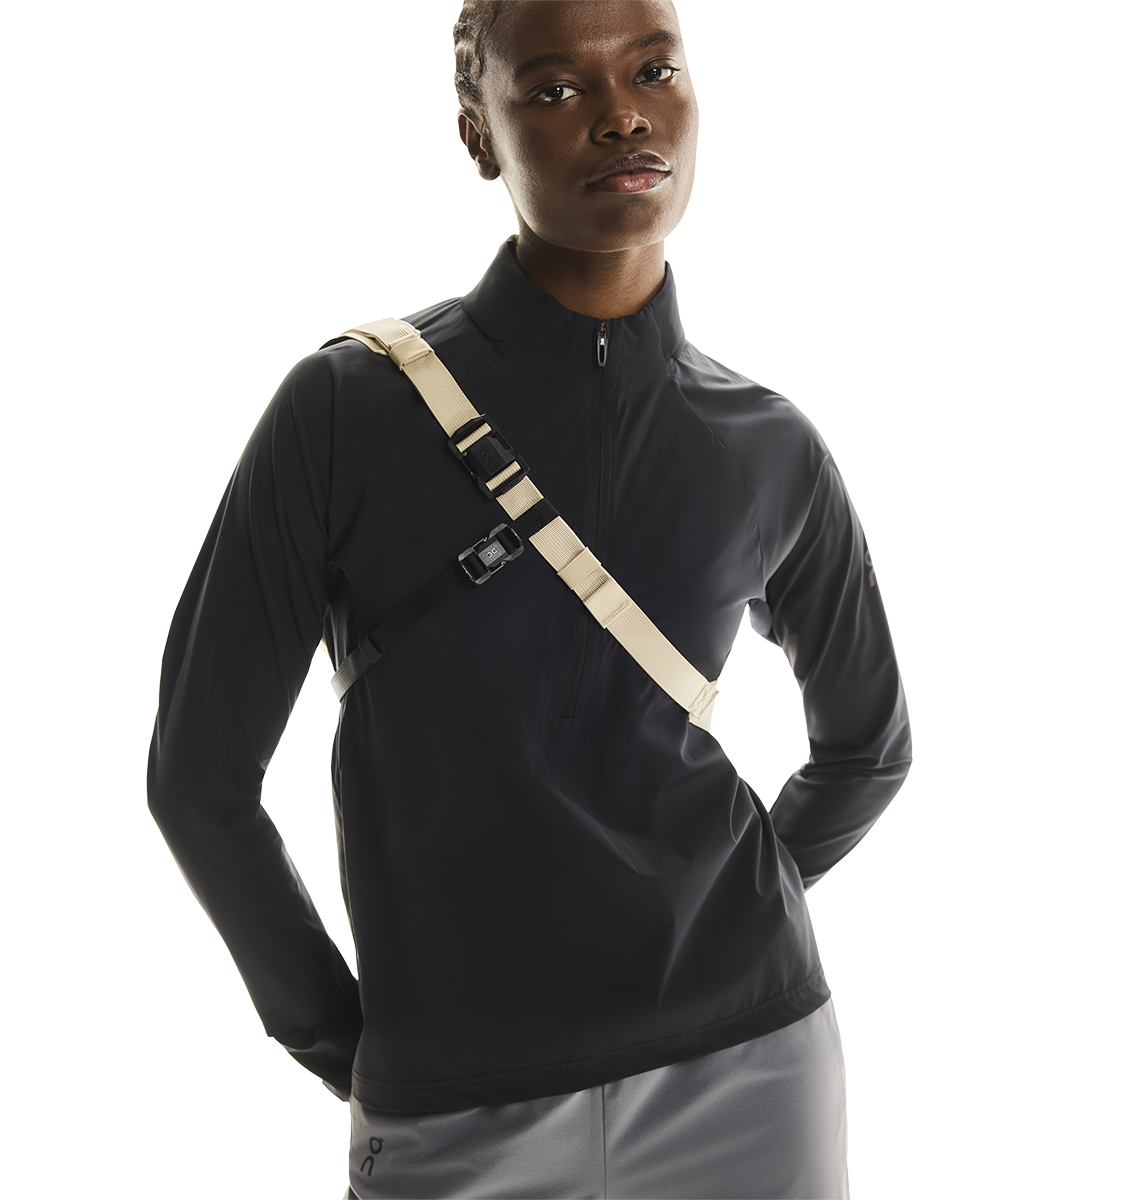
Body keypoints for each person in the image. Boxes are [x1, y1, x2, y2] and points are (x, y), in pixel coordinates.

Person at [146, 0, 912, 1195]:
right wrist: (346, 1038)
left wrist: (727, 904)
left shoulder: (769, 444)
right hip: (458, 1100)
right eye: (556, 89)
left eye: (654, 71)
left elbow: (870, 747)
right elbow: (199, 781)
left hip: (750, 1065)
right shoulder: (346, 410)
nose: (623, 117)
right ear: (478, 135)